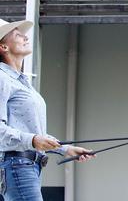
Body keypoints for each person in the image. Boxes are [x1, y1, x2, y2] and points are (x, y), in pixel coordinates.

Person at [0, 19, 94, 201]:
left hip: (27, 166)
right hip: (17, 166)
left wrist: (65, 149)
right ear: (3, 46)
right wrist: (34, 140)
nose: (25, 37)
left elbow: (32, 132)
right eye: (17, 34)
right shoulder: (2, 78)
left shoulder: (22, 82)